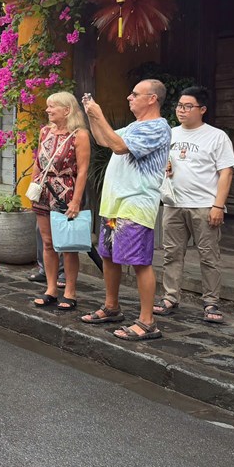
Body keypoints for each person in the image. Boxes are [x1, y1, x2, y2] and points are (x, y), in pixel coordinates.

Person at [81, 80, 172, 342]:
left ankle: (148, 322)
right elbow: (105, 140)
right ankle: (112, 307)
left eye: (135, 94)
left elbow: (120, 147)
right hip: (114, 203)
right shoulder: (134, 126)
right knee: (108, 256)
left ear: (152, 98)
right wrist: (92, 116)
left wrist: (98, 115)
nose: (129, 97)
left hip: (136, 203)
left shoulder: (158, 127)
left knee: (140, 262)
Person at [153, 86, 234, 324]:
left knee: (209, 257)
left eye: (188, 106)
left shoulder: (216, 136)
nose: (182, 110)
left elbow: (226, 172)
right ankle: (170, 298)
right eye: (179, 105)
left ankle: (211, 302)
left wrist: (218, 206)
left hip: (204, 205)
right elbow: (160, 163)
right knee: (171, 254)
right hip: (173, 204)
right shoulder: (170, 133)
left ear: (203, 109)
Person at [30, 92, 91, 311]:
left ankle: (70, 291)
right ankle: (51, 289)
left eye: (52, 106)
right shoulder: (44, 132)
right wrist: (32, 188)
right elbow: (38, 162)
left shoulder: (79, 134)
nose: (48, 110)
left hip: (66, 192)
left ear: (67, 109)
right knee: (47, 242)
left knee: (67, 245)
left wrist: (76, 201)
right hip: (43, 191)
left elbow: (83, 170)